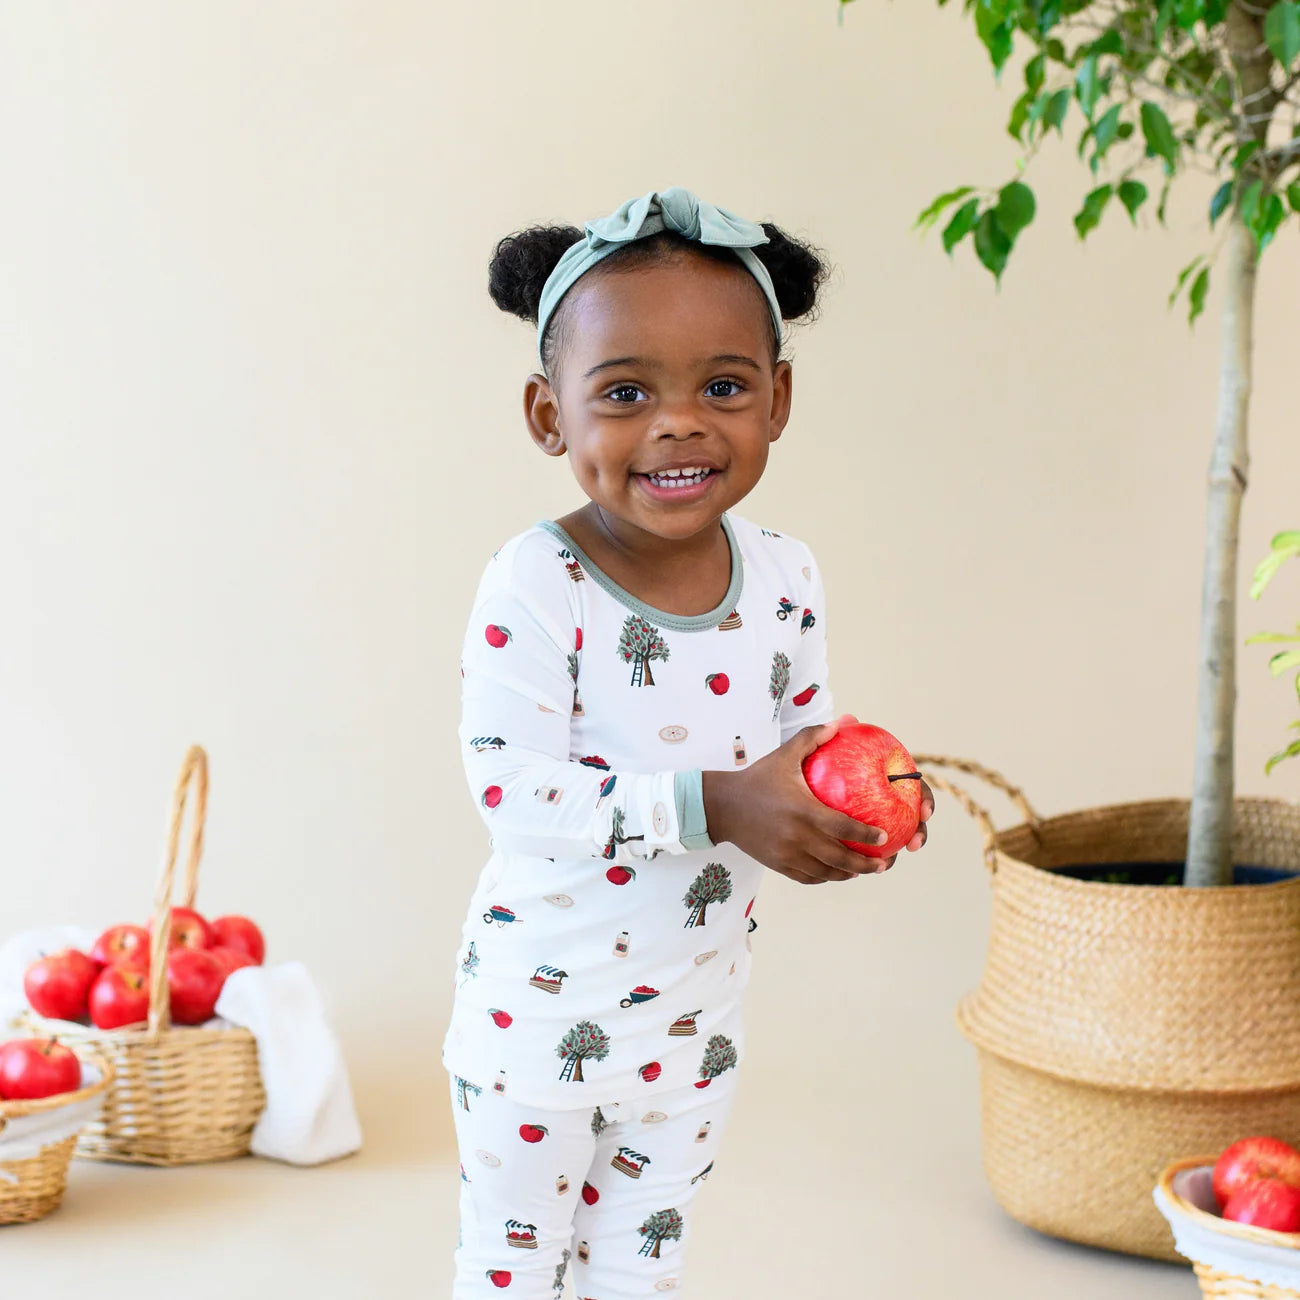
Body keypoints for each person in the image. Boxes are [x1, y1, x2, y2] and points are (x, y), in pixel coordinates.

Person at [444, 186, 935, 1299]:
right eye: (624, 392)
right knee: (513, 1272)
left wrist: (857, 798)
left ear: (779, 398)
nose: (679, 422)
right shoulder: (538, 581)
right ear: (547, 414)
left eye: (724, 386)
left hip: (692, 1026)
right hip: (537, 1028)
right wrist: (718, 803)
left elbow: (801, 746)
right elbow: (512, 791)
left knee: (642, 1269)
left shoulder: (786, 573)